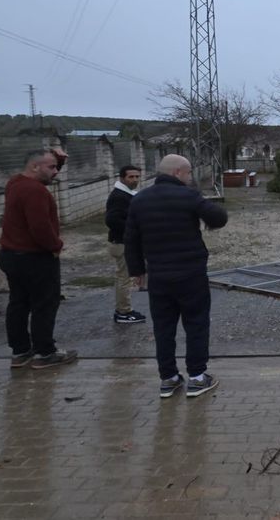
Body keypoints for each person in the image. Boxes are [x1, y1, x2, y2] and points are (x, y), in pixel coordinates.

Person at [124, 154, 228, 399]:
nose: (190, 177)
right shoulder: (188, 196)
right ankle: (197, 377)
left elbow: (131, 238)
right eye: (188, 173)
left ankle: (168, 378)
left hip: (159, 276)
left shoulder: (139, 200)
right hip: (191, 274)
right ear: (178, 172)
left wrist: (137, 271)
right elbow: (219, 218)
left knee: (163, 328)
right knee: (196, 324)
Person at [0, 147, 78, 370]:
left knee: (19, 303)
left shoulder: (15, 183)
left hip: (11, 256)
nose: (56, 171)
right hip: (35, 258)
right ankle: (45, 353)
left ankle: (20, 351)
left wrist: (57, 159)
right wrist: (56, 246)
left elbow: (46, 175)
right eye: (52, 167)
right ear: (35, 167)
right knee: (44, 304)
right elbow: (40, 227)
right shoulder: (35, 191)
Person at [105, 165, 147, 324]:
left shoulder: (127, 194)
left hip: (123, 242)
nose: (135, 180)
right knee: (124, 278)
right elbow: (111, 220)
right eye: (131, 177)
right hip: (121, 243)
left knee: (124, 277)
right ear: (122, 178)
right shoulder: (119, 196)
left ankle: (124, 309)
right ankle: (123, 312)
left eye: (137, 176)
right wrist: (132, 230)